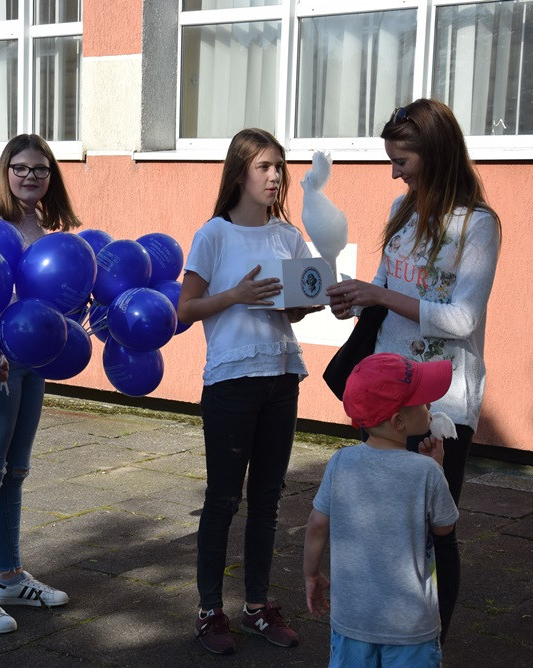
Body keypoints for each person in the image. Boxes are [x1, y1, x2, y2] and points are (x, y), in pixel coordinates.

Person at [325, 98, 501, 642]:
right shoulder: (402, 209)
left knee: (432, 531)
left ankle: (429, 644)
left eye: (401, 161)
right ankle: (379, 634)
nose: (394, 173)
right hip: (385, 392)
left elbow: (463, 318)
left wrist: (380, 294)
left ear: (437, 154)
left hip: (440, 402)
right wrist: (354, 300)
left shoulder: (477, 225)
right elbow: (385, 288)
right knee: (380, 528)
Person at [177, 128, 321, 655]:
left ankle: (257, 607)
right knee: (222, 500)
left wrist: (304, 303)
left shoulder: (289, 236)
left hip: (281, 377)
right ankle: (209, 613)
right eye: (264, 166)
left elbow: (297, 308)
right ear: (240, 173)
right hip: (231, 383)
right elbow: (184, 310)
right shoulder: (213, 234)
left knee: (267, 501)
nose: (275, 175)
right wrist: (235, 295)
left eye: (280, 166)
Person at [0, 134, 80, 634]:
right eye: (21, 167)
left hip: (32, 363)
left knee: (15, 473)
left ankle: (9, 579)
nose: (31, 176)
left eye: (41, 169)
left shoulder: (41, 227)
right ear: (5, 171)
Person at [303, 353, 460, 667]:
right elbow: (444, 528)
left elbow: (317, 524)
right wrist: (438, 468)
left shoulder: (340, 462)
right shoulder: (426, 471)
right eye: (423, 403)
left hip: (352, 621)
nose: (430, 406)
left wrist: (311, 574)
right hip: (410, 627)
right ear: (399, 421)